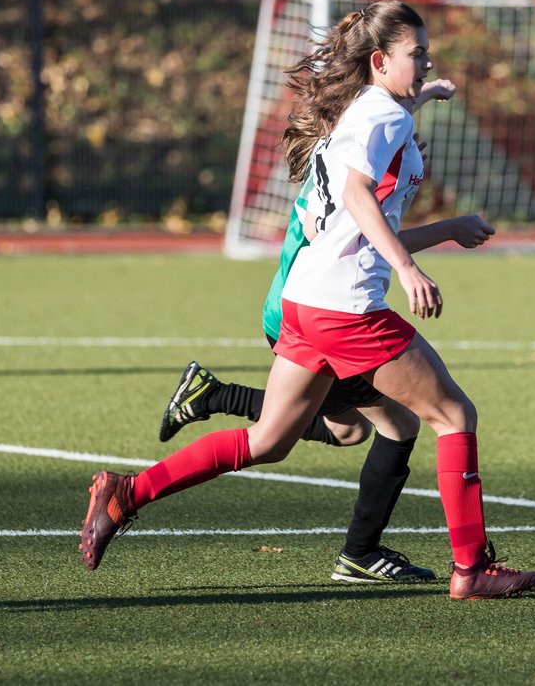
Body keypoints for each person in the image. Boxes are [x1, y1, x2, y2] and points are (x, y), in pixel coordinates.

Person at [81, 0, 535, 599]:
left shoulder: (363, 110)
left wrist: (445, 226)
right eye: (417, 54)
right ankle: (471, 568)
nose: (427, 61)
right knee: (454, 415)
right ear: (380, 61)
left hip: (306, 301)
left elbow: (362, 220)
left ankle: (126, 495)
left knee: (269, 441)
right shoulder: (383, 119)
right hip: (347, 309)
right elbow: (357, 195)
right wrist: (407, 268)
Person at [161, 114, 498, 584]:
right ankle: (367, 554)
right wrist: (442, 231)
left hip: (297, 310)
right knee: (400, 423)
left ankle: (210, 400)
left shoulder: (338, 156)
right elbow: (366, 242)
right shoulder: (351, 168)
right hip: (319, 315)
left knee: (346, 431)